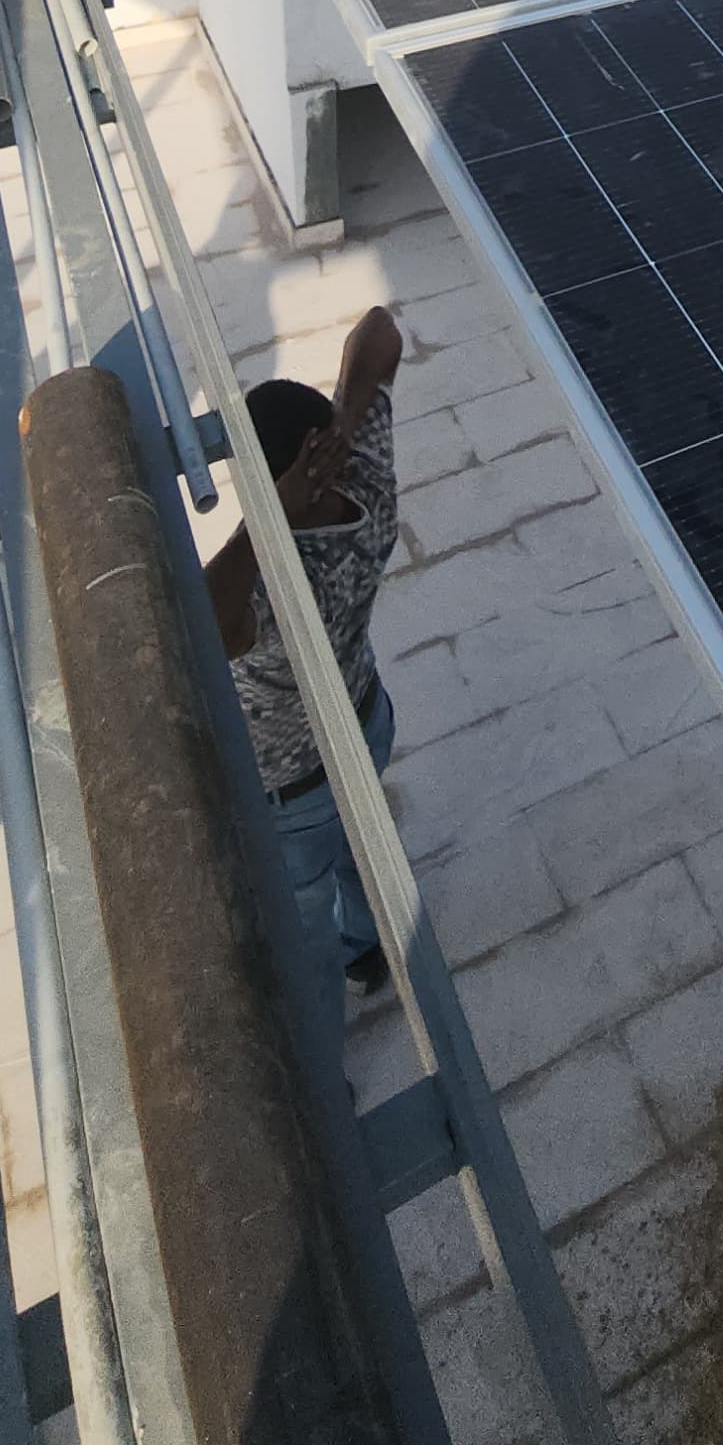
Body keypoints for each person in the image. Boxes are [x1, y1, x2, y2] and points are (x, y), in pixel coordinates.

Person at [207, 303, 403, 1037]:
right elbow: (378, 331)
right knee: (359, 847)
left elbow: (198, 619)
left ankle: (324, 1067)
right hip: (368, 720)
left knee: (304, 935)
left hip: (295, 796)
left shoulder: (272, 591)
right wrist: (346, 423)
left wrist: (267, 517)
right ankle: (368, 950)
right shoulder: (371, 487)